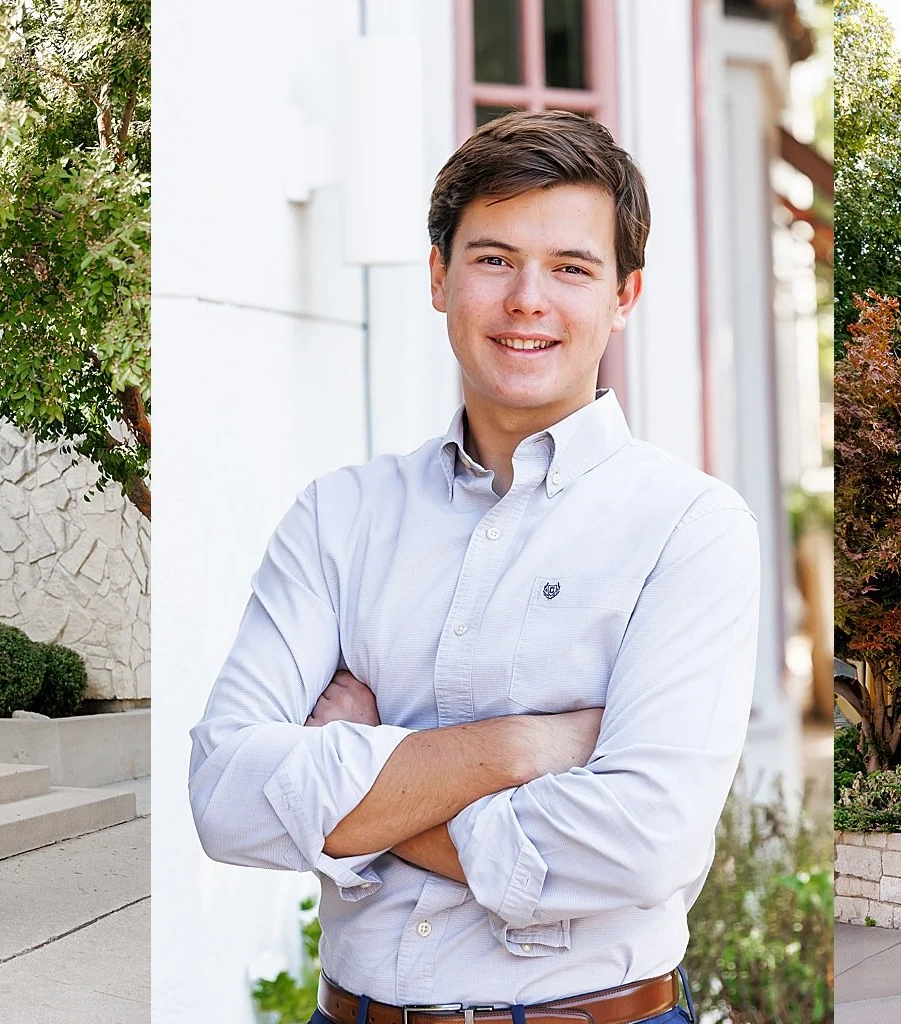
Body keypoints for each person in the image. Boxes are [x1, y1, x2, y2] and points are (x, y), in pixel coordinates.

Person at [188, 111, 761, 1024]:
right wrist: (523, 747)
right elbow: (224, 798)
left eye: (571, 268)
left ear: (624, 296)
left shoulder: (688, 528)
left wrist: (362, 791)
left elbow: (643, 843)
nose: (529, 299)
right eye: (494, 258)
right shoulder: (339, 517)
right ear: (438, 277)